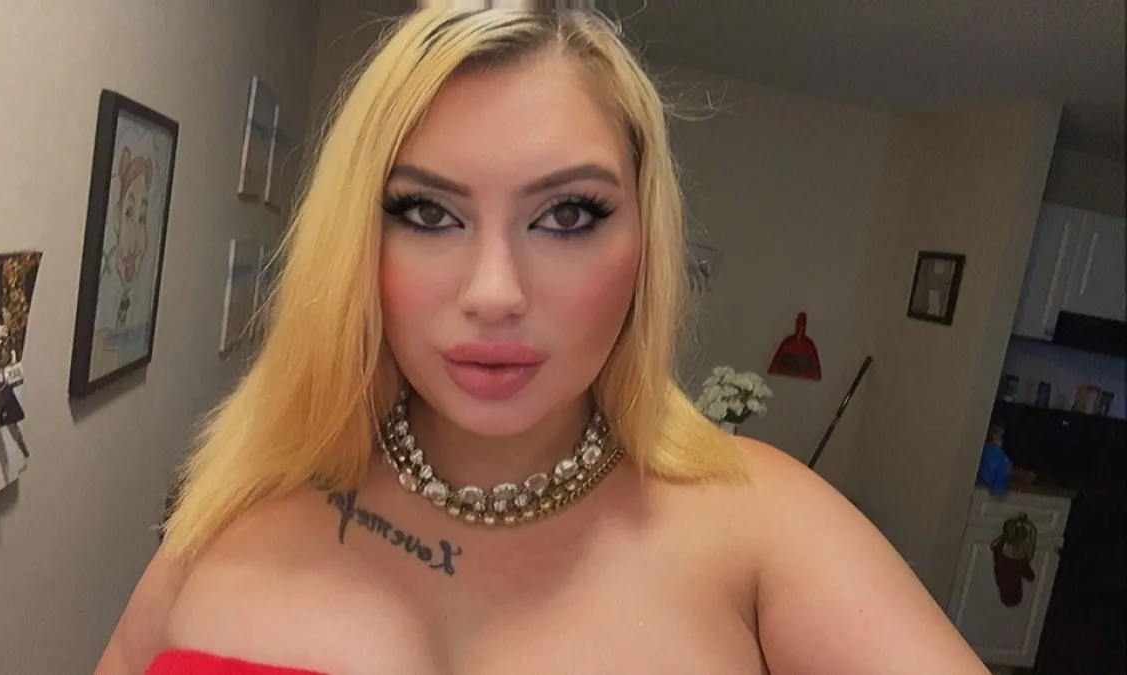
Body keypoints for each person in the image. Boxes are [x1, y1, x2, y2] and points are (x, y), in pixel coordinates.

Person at [98, 8, 991, 675]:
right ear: (356, 242)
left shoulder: (764, 527)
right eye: (427, 212)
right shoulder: (238, 494)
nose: (495, 293)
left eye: (567, 215)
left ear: (645, 245)